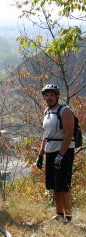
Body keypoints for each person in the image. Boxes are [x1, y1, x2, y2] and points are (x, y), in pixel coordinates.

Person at [36, 84, 75, 224]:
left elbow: (69, 133)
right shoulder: (46, 111)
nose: (49, 98)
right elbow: (45, 135)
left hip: (64, 151)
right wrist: (40, 155)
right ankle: (59, 214)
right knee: (54, 185)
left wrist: (61, 154)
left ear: (57, 96)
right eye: (46, 95)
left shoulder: (64, 111)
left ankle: (68, 217)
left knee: (63, 185)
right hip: (50, 151)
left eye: (52, 95)